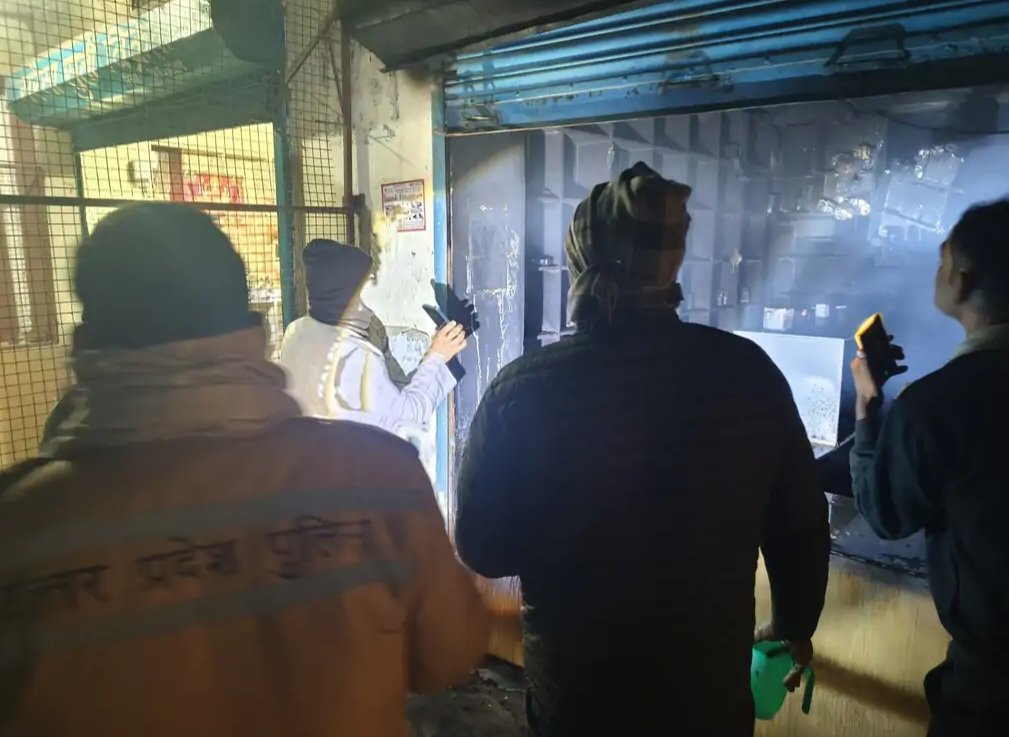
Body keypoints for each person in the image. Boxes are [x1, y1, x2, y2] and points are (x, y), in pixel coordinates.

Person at [0, 204, 488, 737]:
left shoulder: (23, 527)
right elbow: (449, 653)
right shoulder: (378, 479)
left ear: (87, 337)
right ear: (245, 321)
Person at [453, 162, 830, 737]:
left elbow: (483, 547)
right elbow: (800, 526)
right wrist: (792, 626)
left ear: (582, 259)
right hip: (707, 699)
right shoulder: (747, 374)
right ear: (672, 261)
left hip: (580, 697)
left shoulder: (524, 390)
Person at [850, 199, 1009, 737]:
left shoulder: (939, 403)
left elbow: (886, 513)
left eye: (942, 262)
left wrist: (868, 407)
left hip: (990, 688)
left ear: (962, 279)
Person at [280, 239, 466, 435]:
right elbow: (408, 417)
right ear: (346, 294)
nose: (370, 301)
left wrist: (435, 354)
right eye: (365, 288)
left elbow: (383, 400)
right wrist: (437, 357)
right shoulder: (353, 354)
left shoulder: (296, 332)